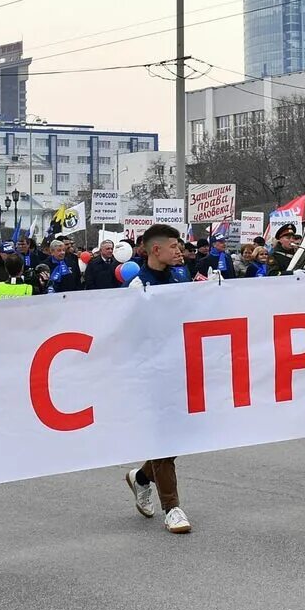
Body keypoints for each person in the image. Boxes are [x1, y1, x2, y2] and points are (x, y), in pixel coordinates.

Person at [121, 224, 196, 534]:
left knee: (185, 433)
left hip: (182, 365)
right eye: (174, 246)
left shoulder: (182, 275)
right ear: (156, 250)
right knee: (166, 436)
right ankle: (172, 507)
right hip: (152, 371)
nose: (179, 251)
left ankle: (140, 478)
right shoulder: (138, 286)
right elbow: (130, 331)